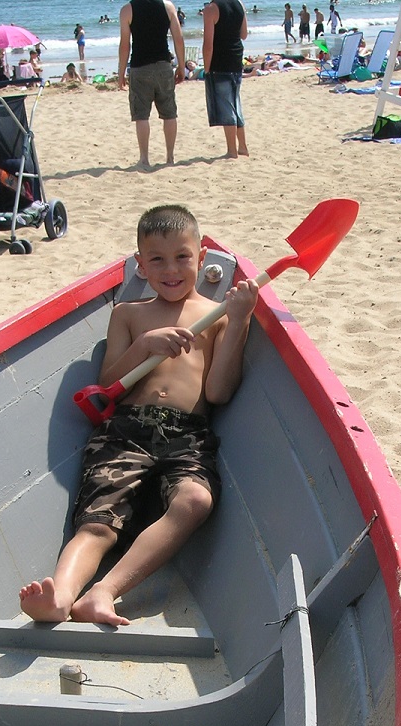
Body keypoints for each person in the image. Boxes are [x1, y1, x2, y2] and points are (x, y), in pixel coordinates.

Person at [18, 204, 259, 627]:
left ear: (201, 259)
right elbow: (110, 383)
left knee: (196, 500)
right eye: (157, 259)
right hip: (124, 431)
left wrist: (238, 322)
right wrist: (144, 345)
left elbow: (218, 391)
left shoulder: (215, 318)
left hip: (187, 434)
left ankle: (103, 593)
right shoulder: (128, 315)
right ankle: (60, 595)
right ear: (140, 265)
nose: (171, 269)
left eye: (183, 257)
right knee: (98, 524)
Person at [118, 0, 185, 169]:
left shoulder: (128, 10)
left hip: (140, 67)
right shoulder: (168, 7)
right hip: (163, 64)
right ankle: (170, 158)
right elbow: (178, 38)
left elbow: (125, 45)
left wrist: (121, 73)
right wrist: (182, 66)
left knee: (141, 115)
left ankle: (144, 159)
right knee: (169, 113)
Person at [203, 0, 249, 158]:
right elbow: (244, 34)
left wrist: (207, 68)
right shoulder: (239, 4)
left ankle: (232, 150)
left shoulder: (210, 9)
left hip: (220, 62)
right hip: (236, 58)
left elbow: (208, 44)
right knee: (235, 103)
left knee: (226, 106)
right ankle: (242, 146)